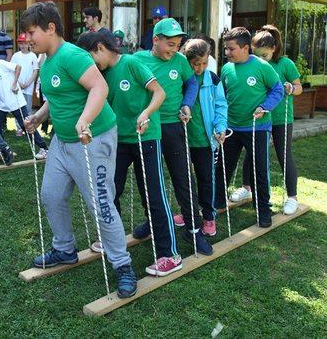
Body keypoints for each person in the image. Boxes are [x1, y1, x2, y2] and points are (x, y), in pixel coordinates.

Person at [21, 1, 137, 299]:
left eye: (31, 32)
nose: (27, 38)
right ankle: (64, 248)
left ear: (50, 28)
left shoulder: (71, 55)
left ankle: (122, 265)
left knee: (100, 204)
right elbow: (59, 97)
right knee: (51, 194)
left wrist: (84, 120)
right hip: (63, 141)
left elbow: (99, 88)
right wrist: (39, 116)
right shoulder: (47, 61)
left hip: (94, 139)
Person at [76, 31, 183, 277]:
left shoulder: (132, 62)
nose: (91, 65)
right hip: (118, 140)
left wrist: (145, 114)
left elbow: (160, 93)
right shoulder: (100, 75)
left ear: (100, 48)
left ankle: (170, 255)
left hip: (145, 137)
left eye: (90, 58)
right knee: (111, 191)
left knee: (153, 195)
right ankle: (113, 240)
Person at [135, 18, 214, 255]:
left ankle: (194, 229)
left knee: (183, 179)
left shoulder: (180, 61)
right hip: (149, 130)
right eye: (170, 44)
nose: (174, 49)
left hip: (174, 128)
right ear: (155, 40)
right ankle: (153, 222)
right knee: (149, 181)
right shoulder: (137, 60)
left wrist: (187, 104)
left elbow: (192, 84)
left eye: (178, 44)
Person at [215, 27, 284, 228]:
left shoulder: (262, 67)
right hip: (231, 128)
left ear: (246, 48)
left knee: (259, 170)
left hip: (257, 128)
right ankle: (217, 203)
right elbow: (224, 97)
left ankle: (263, 209)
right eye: (226, 49)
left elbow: (277, 90)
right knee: (223, 167)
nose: (227, 53)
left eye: (231, 49)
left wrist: (265, 107)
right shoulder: (226, 69)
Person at [231, 25, 302, 215]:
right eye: (257, 54)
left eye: (264, 55)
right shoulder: (251, 63)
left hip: (280, 118)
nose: (260, 58)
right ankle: (247, 188)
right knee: (251, 154)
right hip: (257, 120)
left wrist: (291, 88)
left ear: (273, 49)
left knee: (283, 155)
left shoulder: (285, 64)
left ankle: (292, 197)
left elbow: (299, 87)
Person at [177, 38, 228, 237]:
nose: (200, 68)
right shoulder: (181, 80)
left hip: (205, 141)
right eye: (195, 64)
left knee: (206, 180)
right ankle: (188, 213)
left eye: (204, 63)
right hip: (183, 140)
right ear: (187, 61)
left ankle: (208, 216)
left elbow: (221, 106)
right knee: (184, 181)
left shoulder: (213, 79)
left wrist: (221, 127)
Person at [0, 53, 48, 160]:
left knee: (26, 125)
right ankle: (1, 147)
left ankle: (44, 148)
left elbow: (18, 67)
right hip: (1, 103)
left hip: (15, 101)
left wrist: (15, 83)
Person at [9, 33, 39, 136]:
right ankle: (19, 128)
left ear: (29, 44)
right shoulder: (15, 56)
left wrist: (29, 82)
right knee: (18, 107)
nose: (23, 45)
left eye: (25, 43)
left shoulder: (33, 56)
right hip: (18, 86)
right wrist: (18, 82)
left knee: (28, 108)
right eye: (21, 43)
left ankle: (28, 127)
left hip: (29, 87)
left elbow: (35, 71)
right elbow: (12, 70)